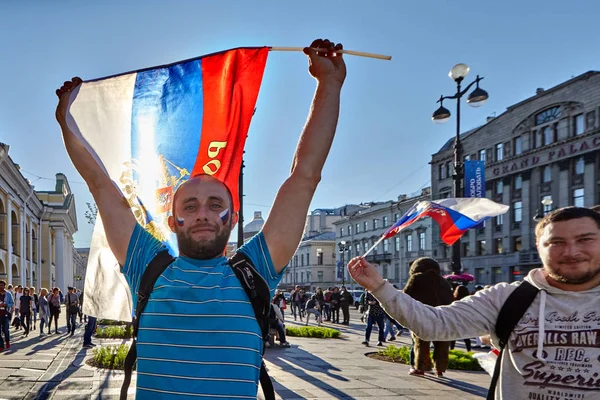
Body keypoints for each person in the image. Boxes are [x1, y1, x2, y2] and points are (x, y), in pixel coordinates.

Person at [55, 38, 346, 399]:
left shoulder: (255, 271)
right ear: (173, 220)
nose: (203, 214)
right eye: (189, 207)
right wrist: (67, 121)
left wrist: (328, 86)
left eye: (214, 204)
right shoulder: (148, 265)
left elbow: (304, 177)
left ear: (233, 217)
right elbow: (101, 185)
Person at [348, 207, 600, 399]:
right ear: (539, 247)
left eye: (585, 239)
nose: (571, 252)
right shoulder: (507, 298)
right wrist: (378, 286)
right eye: (556, 242)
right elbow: (434, 324)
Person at [0, 280, 14, 351]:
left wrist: (6, 305)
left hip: (5, 314)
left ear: (4, 286)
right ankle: (1, 345)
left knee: (5, 330)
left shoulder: (8, 294)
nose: (1, 286)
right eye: (0, 285)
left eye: (2, 285)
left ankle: (7, 341)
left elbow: (12, 303)